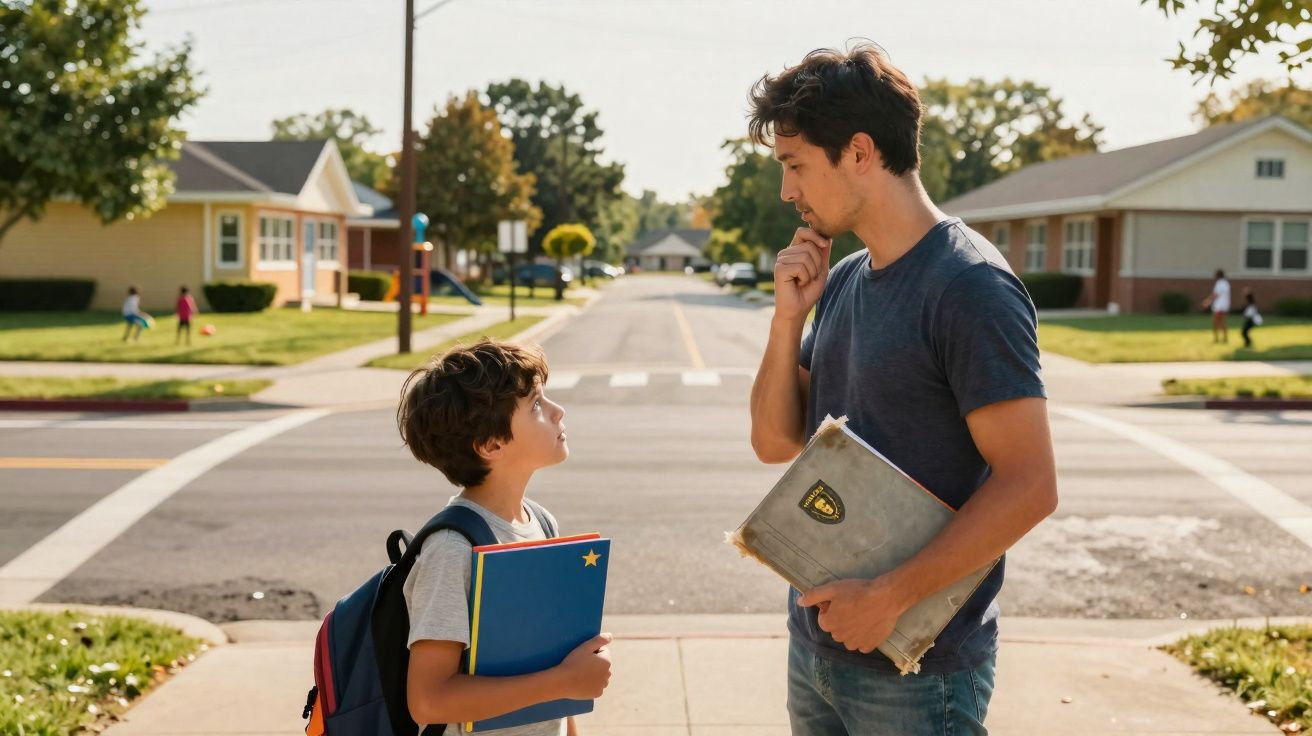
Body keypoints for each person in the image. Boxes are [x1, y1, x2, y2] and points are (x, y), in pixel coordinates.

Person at [746, 44, 1058, 735]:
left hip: (918, 675)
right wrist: (787, 318)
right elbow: (773, 443)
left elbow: (1031, 485)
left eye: (795, 164)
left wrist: (888, 598)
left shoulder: (970, 286)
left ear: (858, 152)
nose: (787, 191)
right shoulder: (845, 279)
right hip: (817, 649)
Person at [396, 339, 611, 736]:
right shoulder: (452, 549)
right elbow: (428, 700)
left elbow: (556, 659)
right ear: (491, 445)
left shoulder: (541, 522)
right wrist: (564, 681)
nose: (558, 410)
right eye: (536, 404)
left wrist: (568, 691)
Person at [1203, 269, 1231, 343]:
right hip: (1225, 306)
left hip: (1219, 306)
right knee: (1222, 322)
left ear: (1218, 276)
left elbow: (1215, 294)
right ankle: (1224, 338)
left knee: (1215, 322)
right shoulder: (1226, 283)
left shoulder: (1219, 283)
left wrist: (1207, 302)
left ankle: (1217, 339)